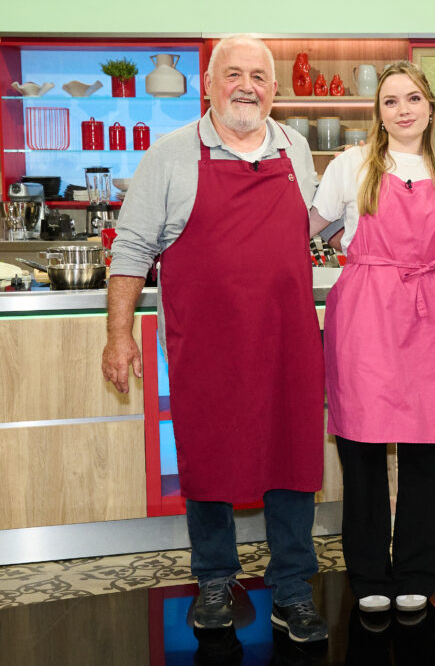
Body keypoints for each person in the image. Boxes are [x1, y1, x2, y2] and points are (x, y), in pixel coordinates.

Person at [101, 34, 328, 643]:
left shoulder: (296, 148)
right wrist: (119, 334)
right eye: (233, 73)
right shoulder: (173, 154)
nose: (246, 86)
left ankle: (292, 587)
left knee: (292, 456)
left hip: (286, 340)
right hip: (209, 344)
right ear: (208, 83)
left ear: (274, 90)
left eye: (258, 75)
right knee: (207, 454)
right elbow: (130, 251)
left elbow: (309, 232)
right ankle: (213, 578)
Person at [308, 61, 435, 617]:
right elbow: (310, 230)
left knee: (428, 450)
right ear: (378, 112)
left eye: (413, 99)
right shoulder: (350, 165)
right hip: (365, 313)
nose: (403, 110)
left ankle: (419, 570)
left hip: (428, 313)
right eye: (391, 101)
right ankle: (370, 571)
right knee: (363, 449)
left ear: (430, 108)